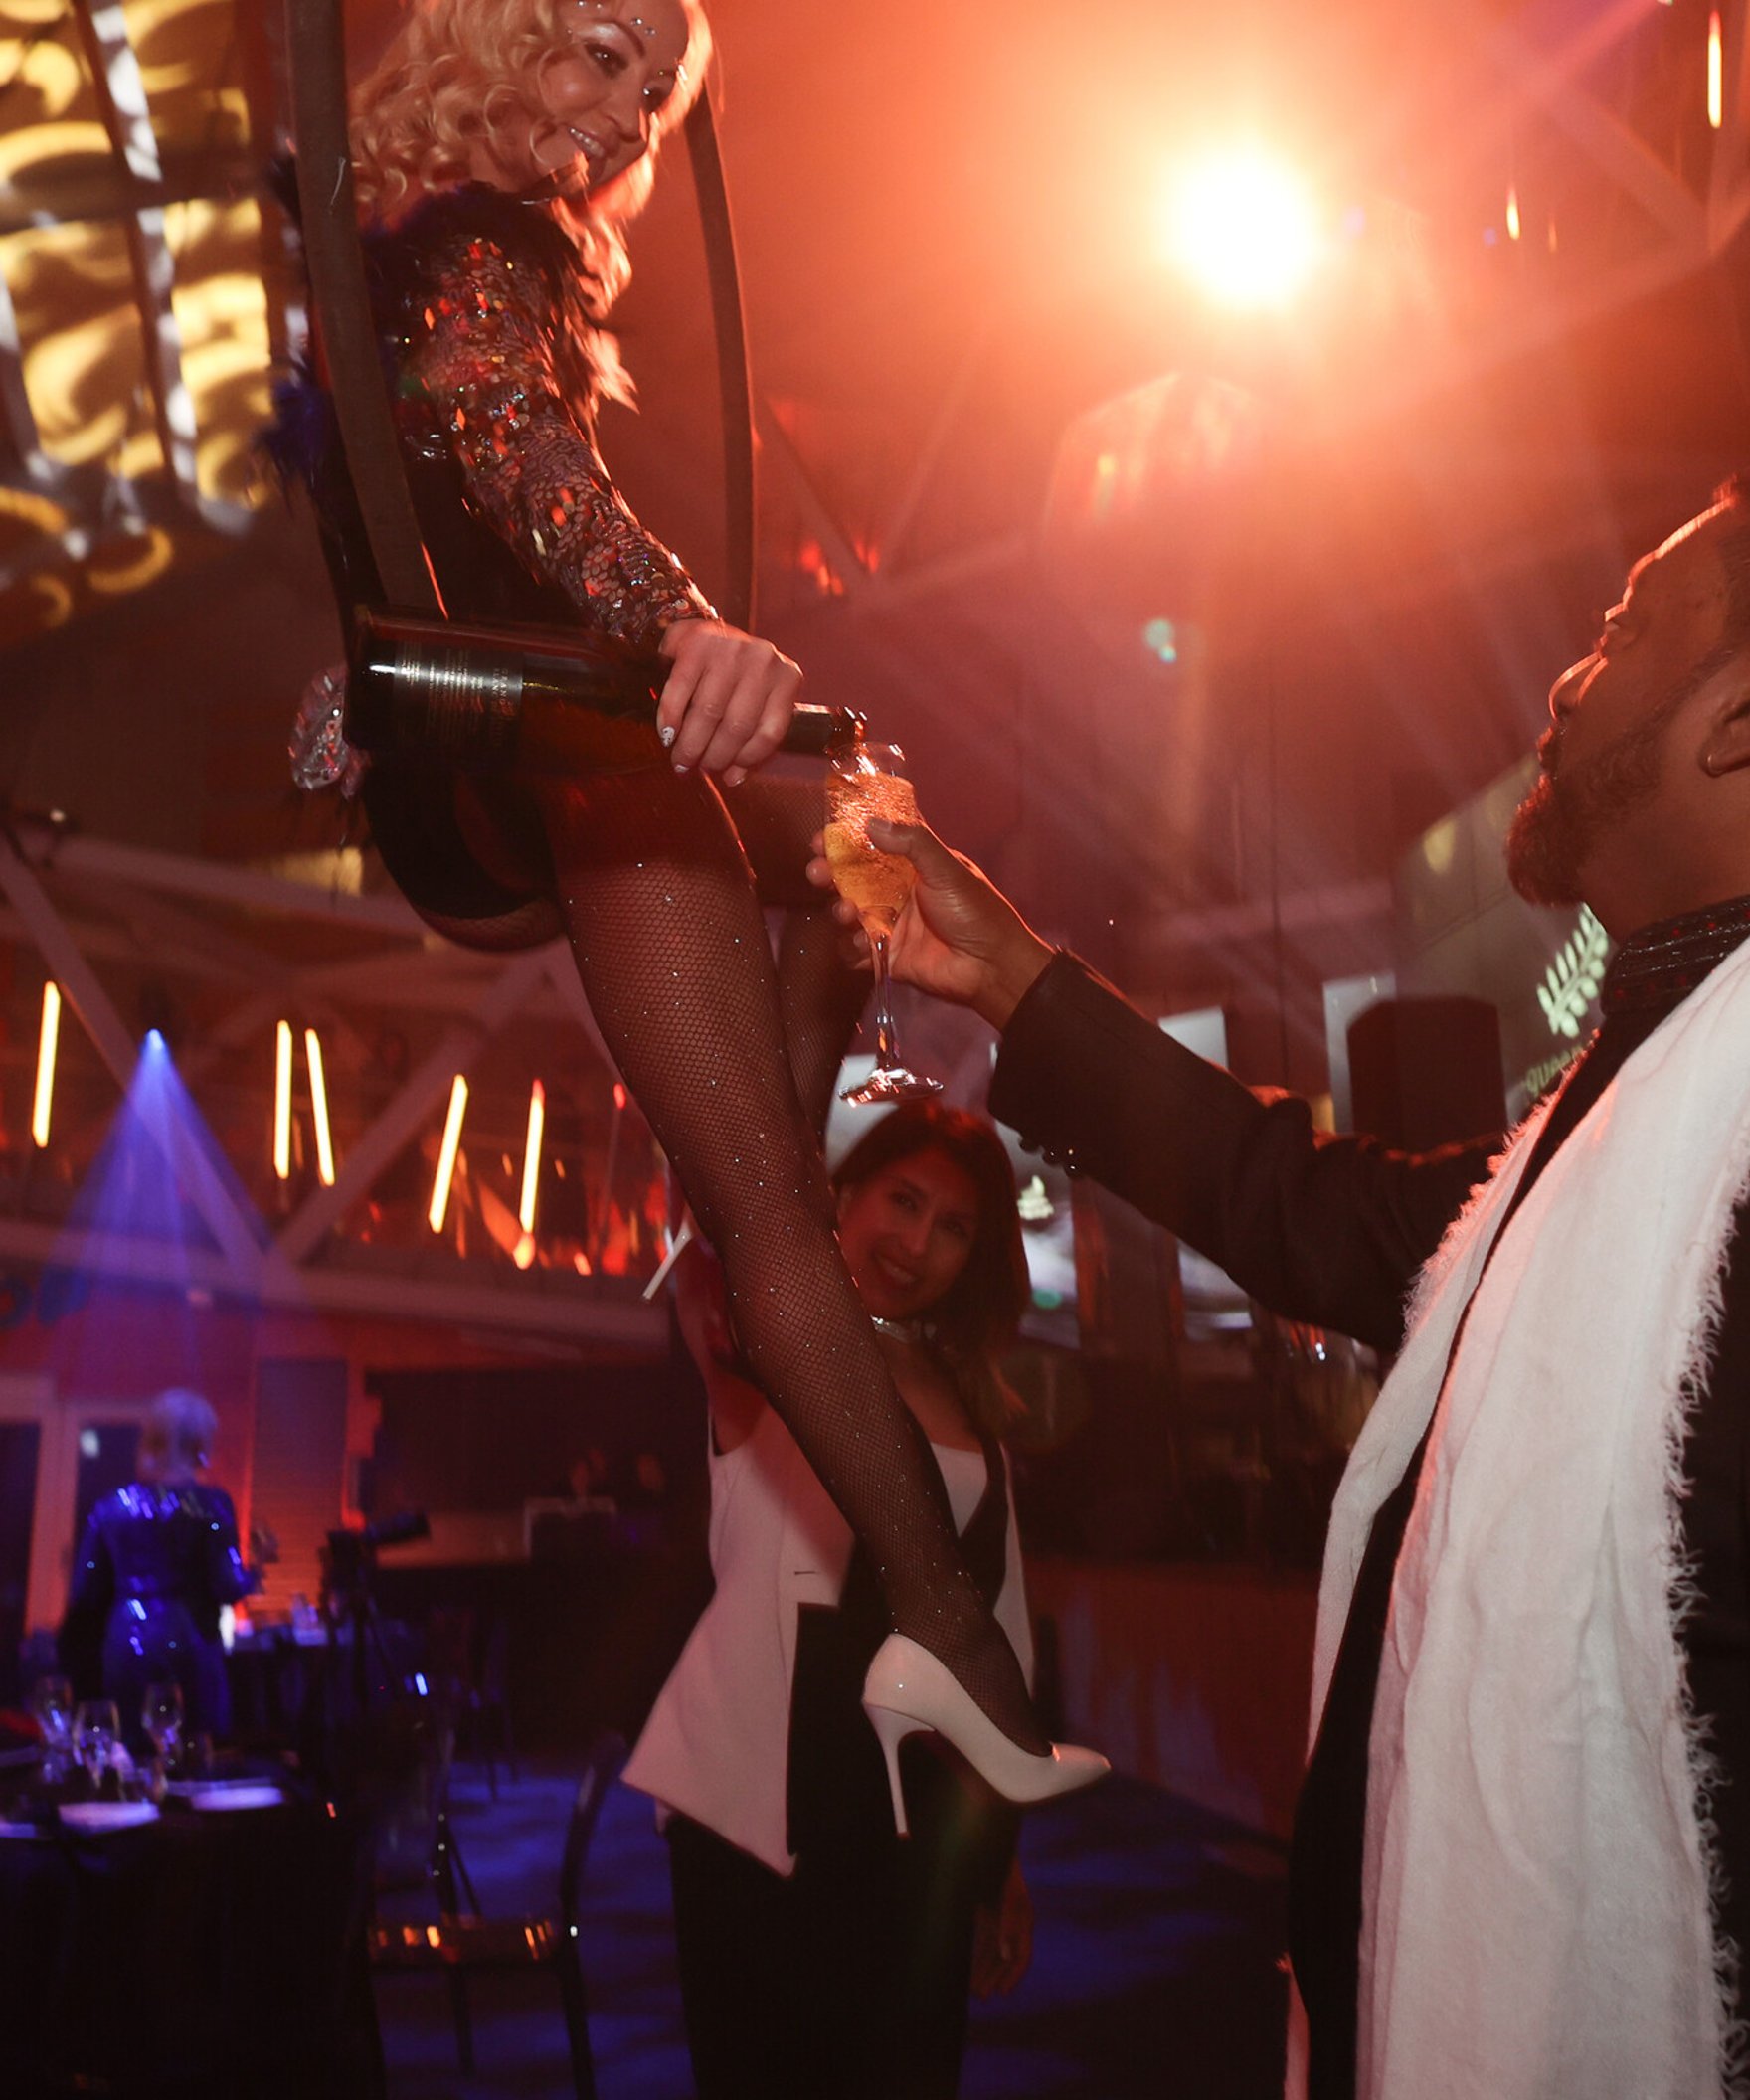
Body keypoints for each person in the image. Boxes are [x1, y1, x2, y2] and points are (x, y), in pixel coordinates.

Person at [817, 465, 1750, 2098]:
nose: (1570, 673)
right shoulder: (1648, 1106)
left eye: (1629, 622)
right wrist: (1005, 971)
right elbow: (1308, 1211)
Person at [269, 0, 1103, 1797]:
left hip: (486, 768)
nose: (623, 113)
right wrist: (672, 625)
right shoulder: (470, 247)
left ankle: (778, 1118)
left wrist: (379, 688)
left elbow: (417, 478)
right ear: (492, 38)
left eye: (653, 91)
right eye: (591, 53)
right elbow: (504, 448)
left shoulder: (415, 250)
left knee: (820, 939)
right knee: (775, 1216)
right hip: (533, 756)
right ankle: (950, 1633)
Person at [628, 1104, 1040, 2099]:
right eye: (904, 1201)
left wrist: (1000, 1856)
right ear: (844, 1195)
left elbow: (1001, 1633)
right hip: (762, 1800)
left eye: (953, 1228)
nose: (918, 1242)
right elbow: (696, 1226)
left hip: (921, 1814)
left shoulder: (969, 1397)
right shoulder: (767, 1342)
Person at [64, 1389, 260, 1746]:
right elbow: (227, 1585)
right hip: (192, 1642)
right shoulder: (211, 1505)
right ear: (199, 1443)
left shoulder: (113, 1506)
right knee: (196, 1753)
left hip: (127, 1642)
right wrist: (256, 1572)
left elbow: (84, 1590)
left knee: (134, 1751)